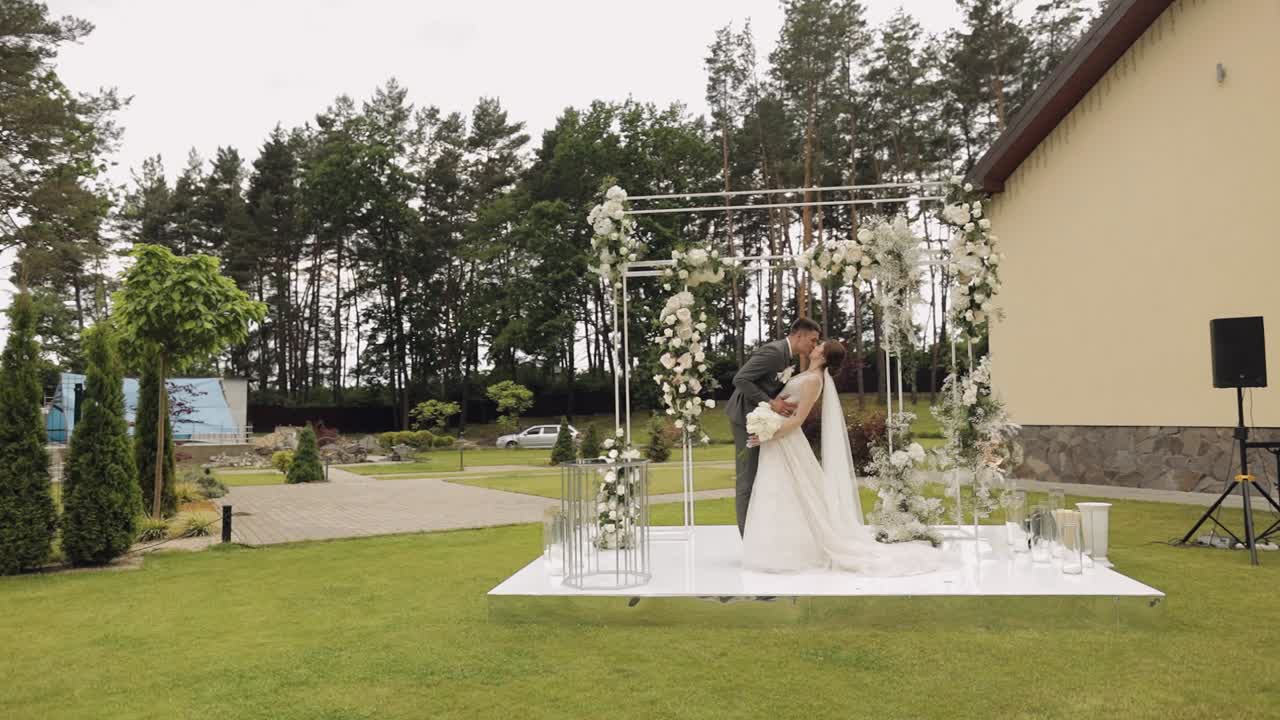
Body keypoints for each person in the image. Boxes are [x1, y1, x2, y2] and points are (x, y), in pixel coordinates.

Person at [741, 340, 948, 576]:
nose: (815, 347)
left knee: (790, 489)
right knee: (781, 489)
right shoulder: (807, 374)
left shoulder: (813, 380)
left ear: (824, 356)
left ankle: (790, 551)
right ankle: (780, 547)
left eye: (820, 346)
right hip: (779, 436)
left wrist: (769, 434)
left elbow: (798, 419)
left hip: (785, 437)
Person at [726, 318, 820, 536]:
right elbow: (740, 380)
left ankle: (759, 535)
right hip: (745, 418)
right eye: (812, 340)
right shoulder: (774, 352)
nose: (814, 346)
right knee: (747, 478)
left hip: (761, 419)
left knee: (760, 476)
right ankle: (746, 539)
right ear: (799, 335)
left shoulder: (787, 356)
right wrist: (771, 403)